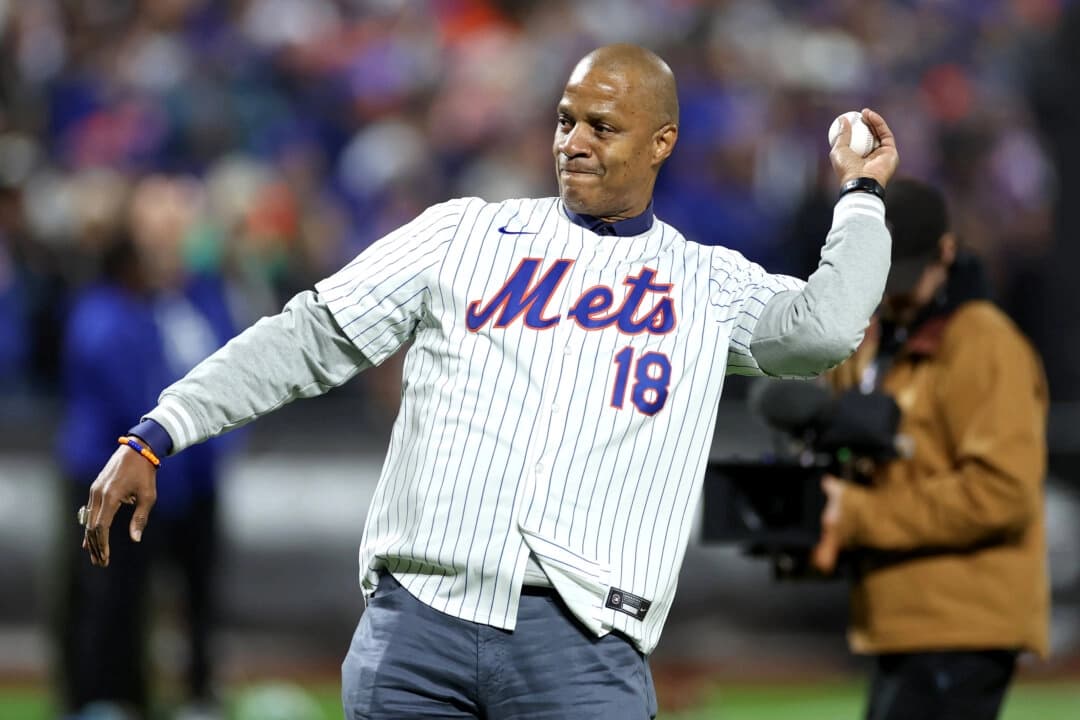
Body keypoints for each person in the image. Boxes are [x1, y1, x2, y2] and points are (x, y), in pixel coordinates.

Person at [77, 44, 898, 719]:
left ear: (662, 142)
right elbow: (308, 336)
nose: (573, 141)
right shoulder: (465, 232)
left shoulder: (704, 280)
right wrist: (160, 431)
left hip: (584, 644)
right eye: (566, 120)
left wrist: (860, 197)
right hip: (417, 631)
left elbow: (824, 330)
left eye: (603, 127)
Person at [811, 178, 1049, 720]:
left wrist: (859, 516)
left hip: (964, 623)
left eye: (905, 276)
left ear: (947, 252)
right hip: (904, 620)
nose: (892, 292)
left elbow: (1002, 494)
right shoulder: (872, 341)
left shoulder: (983, 341)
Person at [58, 180, 236, 719]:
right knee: (107, 600)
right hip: (111, 472)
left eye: (180, 222)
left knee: (197, 597)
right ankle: (104, 701)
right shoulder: (109, 304)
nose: (173, 235)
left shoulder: (201, 297)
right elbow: (116, 388)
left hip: (191, 476)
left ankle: (196, 696)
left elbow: (238, 369)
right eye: (161, 223)